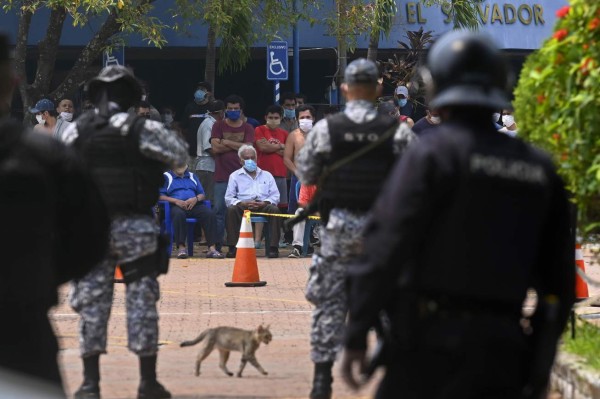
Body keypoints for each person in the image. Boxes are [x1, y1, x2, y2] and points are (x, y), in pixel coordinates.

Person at [341, 31, 575, 399]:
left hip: (426, 351)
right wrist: (538, 367)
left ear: (434, 86)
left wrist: (356, 336)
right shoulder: (538, 168)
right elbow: (559, 284)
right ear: (501, 85)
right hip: (504, 353)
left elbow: (383, 249)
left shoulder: (431, 156)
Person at [61, 65, 188, 399]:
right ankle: (147, 382)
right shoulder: (142, 128)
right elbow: (179, 157)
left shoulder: (77, 130)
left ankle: (90, 384)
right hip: (136, 227)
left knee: (91, 303)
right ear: (132, 95)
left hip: (92, 228)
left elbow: (61, 171)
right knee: (142, 300)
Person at [296, 58, 415, 399]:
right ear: (379, 89)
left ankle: (322, 381)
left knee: (330, 301)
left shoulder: (325, 129)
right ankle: (395, 376)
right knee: (391, 298)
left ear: (345, 89)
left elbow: (306, 174)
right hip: (383, 231)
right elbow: (416, 179)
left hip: (339, 228)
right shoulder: (398, 131)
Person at [0, 33, 110, 397]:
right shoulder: (45, 156)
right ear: (13, 82)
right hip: (22, 332)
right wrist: (37, 273)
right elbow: (90, 238)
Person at [210, 94, 255, 250]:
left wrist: (226, 141)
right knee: (219, 211)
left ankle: (235, 244)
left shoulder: (248, 127)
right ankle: (217, 245)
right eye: (230, 109)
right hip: (222, 177)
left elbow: (248, 150)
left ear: (241, 110)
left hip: (243, 178)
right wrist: (239, 145)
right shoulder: (218, 126)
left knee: (238, 212)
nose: (233, 111)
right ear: (225, 110)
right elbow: (215, 148)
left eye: (236, 109)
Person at [224, 145, 282, 259]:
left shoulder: (267, 175)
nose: (250, 160)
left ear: (257, 158)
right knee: (231, 210)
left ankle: (273, 248)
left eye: (252, 157)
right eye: (246, 158)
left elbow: (276, 195)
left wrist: (265, 202)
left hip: (262, 205)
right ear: (240, 161)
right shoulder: (234, 176)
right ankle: (232, 247)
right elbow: (229, 198)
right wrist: (242, 203)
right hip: (243, 205)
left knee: (275, 210)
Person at [159, 163, 224, 259]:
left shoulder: (193, 176)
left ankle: (212, 249)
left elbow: (202, 194)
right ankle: (181, 248)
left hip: (194, 204)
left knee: (209, 214)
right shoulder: (166, 177)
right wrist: (176, 201)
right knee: (178, 214)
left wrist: (196, 199)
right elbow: (160, 196)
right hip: (175, 206)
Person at [283, 104, 316, 217]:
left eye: (308, 117)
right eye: (302, 118)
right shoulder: (293, 136)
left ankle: (314, 232)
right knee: (295, 206)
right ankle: (292, 233)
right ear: (297, 119)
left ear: (313, 118)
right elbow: (287, 159)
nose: (305, 120)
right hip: (297, 176)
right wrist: (297, 172)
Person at [195, 100, 224, 203]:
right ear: (221, 112)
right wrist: (222, 160)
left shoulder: (212, 123)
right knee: (207, 198)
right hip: (206, 167)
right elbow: (208, 147)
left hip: (209, 167)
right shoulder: (209, 124)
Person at [182, 81, 212, 162]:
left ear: (209, 94)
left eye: (202, 89)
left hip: (207, 154)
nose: (199, 91)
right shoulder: (190, 107)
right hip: (191, 152)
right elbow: (184, 127)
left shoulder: (212, 108)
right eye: (198, 89)